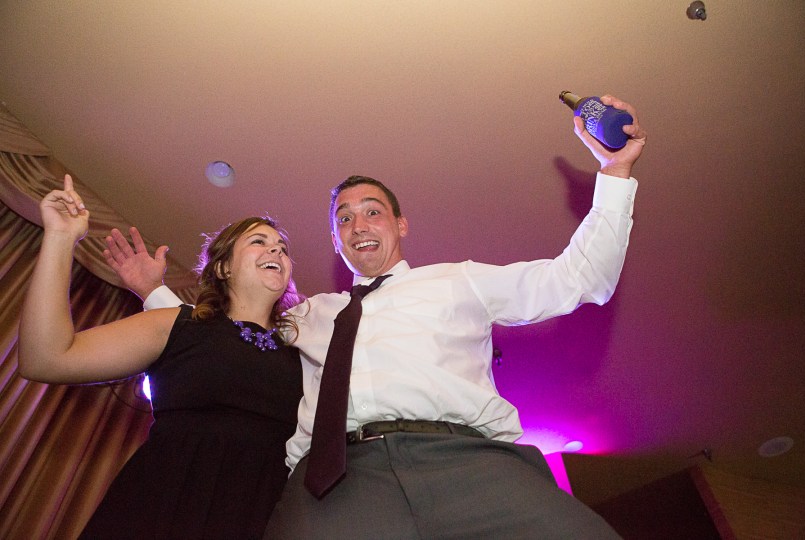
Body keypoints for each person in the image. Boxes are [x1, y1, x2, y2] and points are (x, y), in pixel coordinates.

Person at [111, 95, 646, 538]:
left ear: (400, 224)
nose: (359, 225)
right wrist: (153, 293)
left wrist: (614, 171)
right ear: (335, 240)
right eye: (344, 219)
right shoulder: (308, 316)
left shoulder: (459, 280)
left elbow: (580, 278)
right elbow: (225, 341)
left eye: (372, 211)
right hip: (336, 486)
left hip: (470, 464)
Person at [18, 174, 304, 539]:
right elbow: (46, 358)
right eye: (259, 242)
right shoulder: (177, 325)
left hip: (255, 518)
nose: (276, 251)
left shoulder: (305, 353)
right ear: (223, 267)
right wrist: (60, 237)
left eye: (282, 248)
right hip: (160, 508)